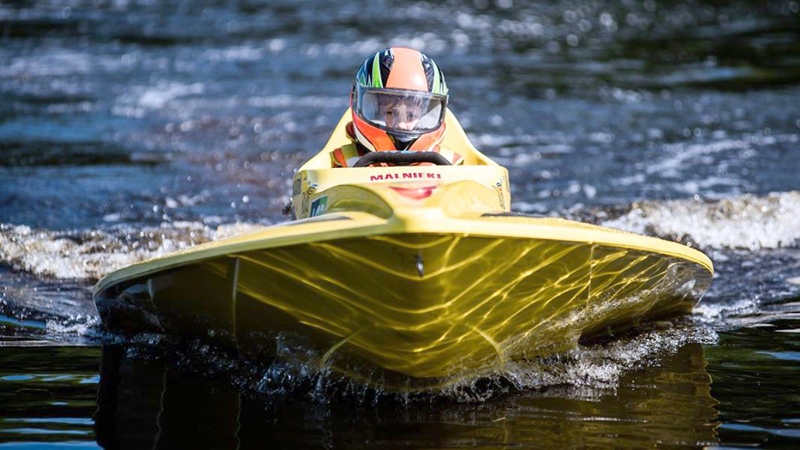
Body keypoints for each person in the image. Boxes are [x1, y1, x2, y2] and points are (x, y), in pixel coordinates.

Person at [330, 47, 463, 167]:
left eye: (410, 115)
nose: (401, 125)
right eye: (390, 113)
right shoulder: (344, 162)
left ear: (425, 116)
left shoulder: (450, 163)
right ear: (374, 111)